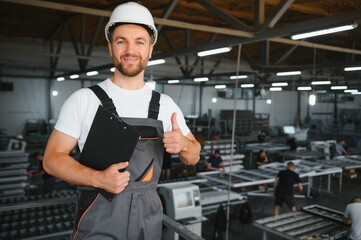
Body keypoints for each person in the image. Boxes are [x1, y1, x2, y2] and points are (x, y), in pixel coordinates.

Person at [43, 2, 201, 240]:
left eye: (139, 41)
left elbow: (194, 156)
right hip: (99, 219)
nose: (130, 50)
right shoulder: (84, 100)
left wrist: (184, 145)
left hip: (148, 220)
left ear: (150, 50)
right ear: (110, 47)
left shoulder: (165, 105)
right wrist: (98, 178)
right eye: (121, 41)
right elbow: (51, 160)